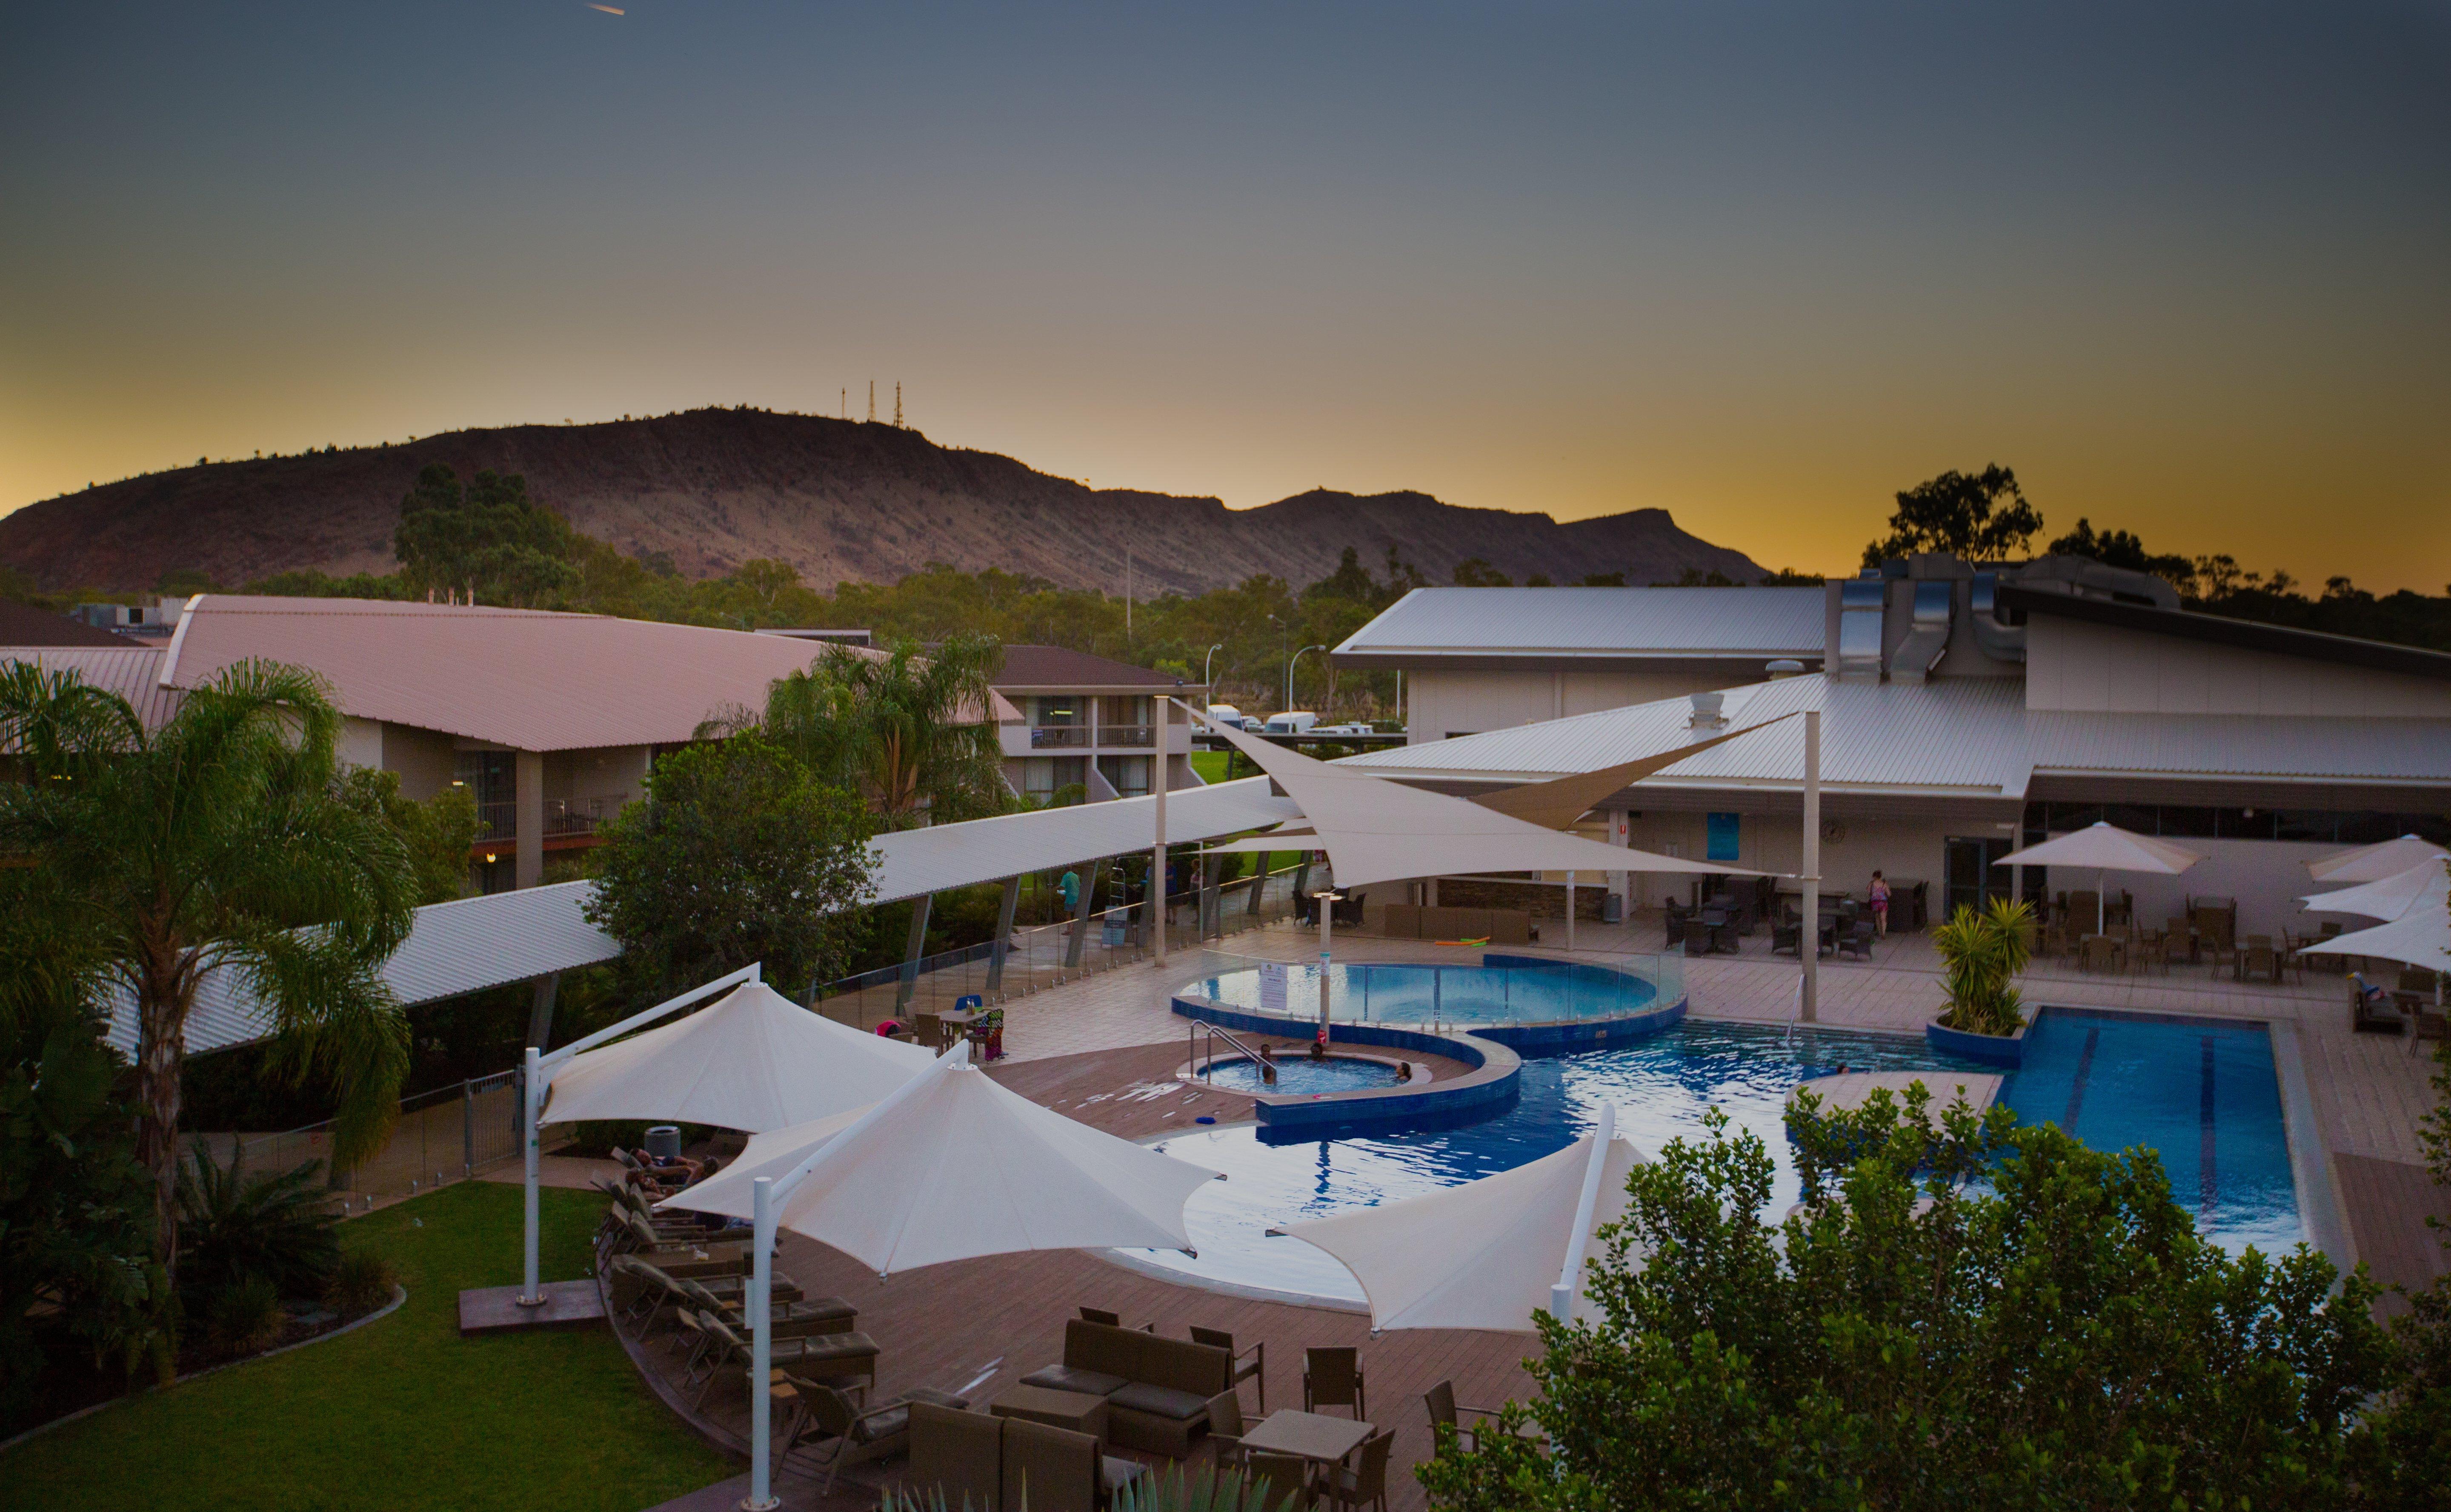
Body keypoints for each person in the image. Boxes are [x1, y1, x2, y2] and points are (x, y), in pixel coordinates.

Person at [1868, 870, 1891, 938]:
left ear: (1874, 876)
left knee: (1877, 917)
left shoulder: (1871, 884)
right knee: (1883, 918)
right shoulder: (1885, 884)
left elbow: (1869, 892)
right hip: (1883, 903)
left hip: (1875, 903)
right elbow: (1889, 894)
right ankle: (1883, 934)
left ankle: (1879, 932)